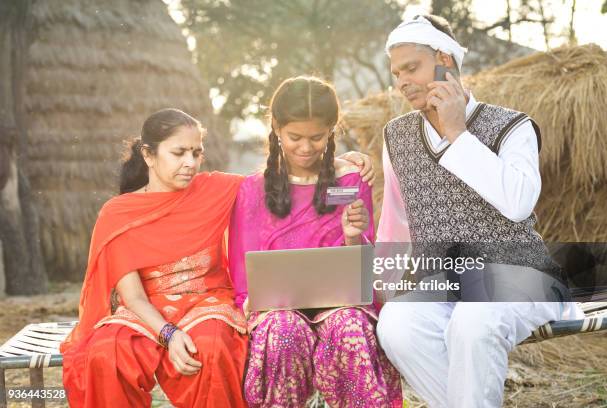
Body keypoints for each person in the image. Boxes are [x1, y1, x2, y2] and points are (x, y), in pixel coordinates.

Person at [61, 108, 375, 408]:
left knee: (214, 348)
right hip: (145, 309)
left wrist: (339, 160)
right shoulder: (118, 213)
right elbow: (133, 297)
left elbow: (280, 176)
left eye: (196, 153)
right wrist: (169, 335)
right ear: (148, 155)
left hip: (207, 302)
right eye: (179, 152)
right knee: (106, 353)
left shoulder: (216, 189)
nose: (190, 163)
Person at [374, 15, 581, 408]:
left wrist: (457, 133)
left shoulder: (512, 126)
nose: (401, 81)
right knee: (397, 326)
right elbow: (396, 221)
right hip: (443, 284)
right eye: (396, 72)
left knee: (474, 321)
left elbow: (518, 202)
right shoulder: (395, 136)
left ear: (444, 60)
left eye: (411, 68)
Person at [229, 76, 402, 408]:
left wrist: (355, 236)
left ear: (331, 132)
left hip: (341, 306)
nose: (305, 148)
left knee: (349, 328)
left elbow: (364, 271)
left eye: (316, 137)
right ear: (276, 129)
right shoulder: (252, 191)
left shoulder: (351, 181)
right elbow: (242, 272)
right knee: (283, 333)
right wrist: (248, 301)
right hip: (275, 310)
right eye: (295, 137)